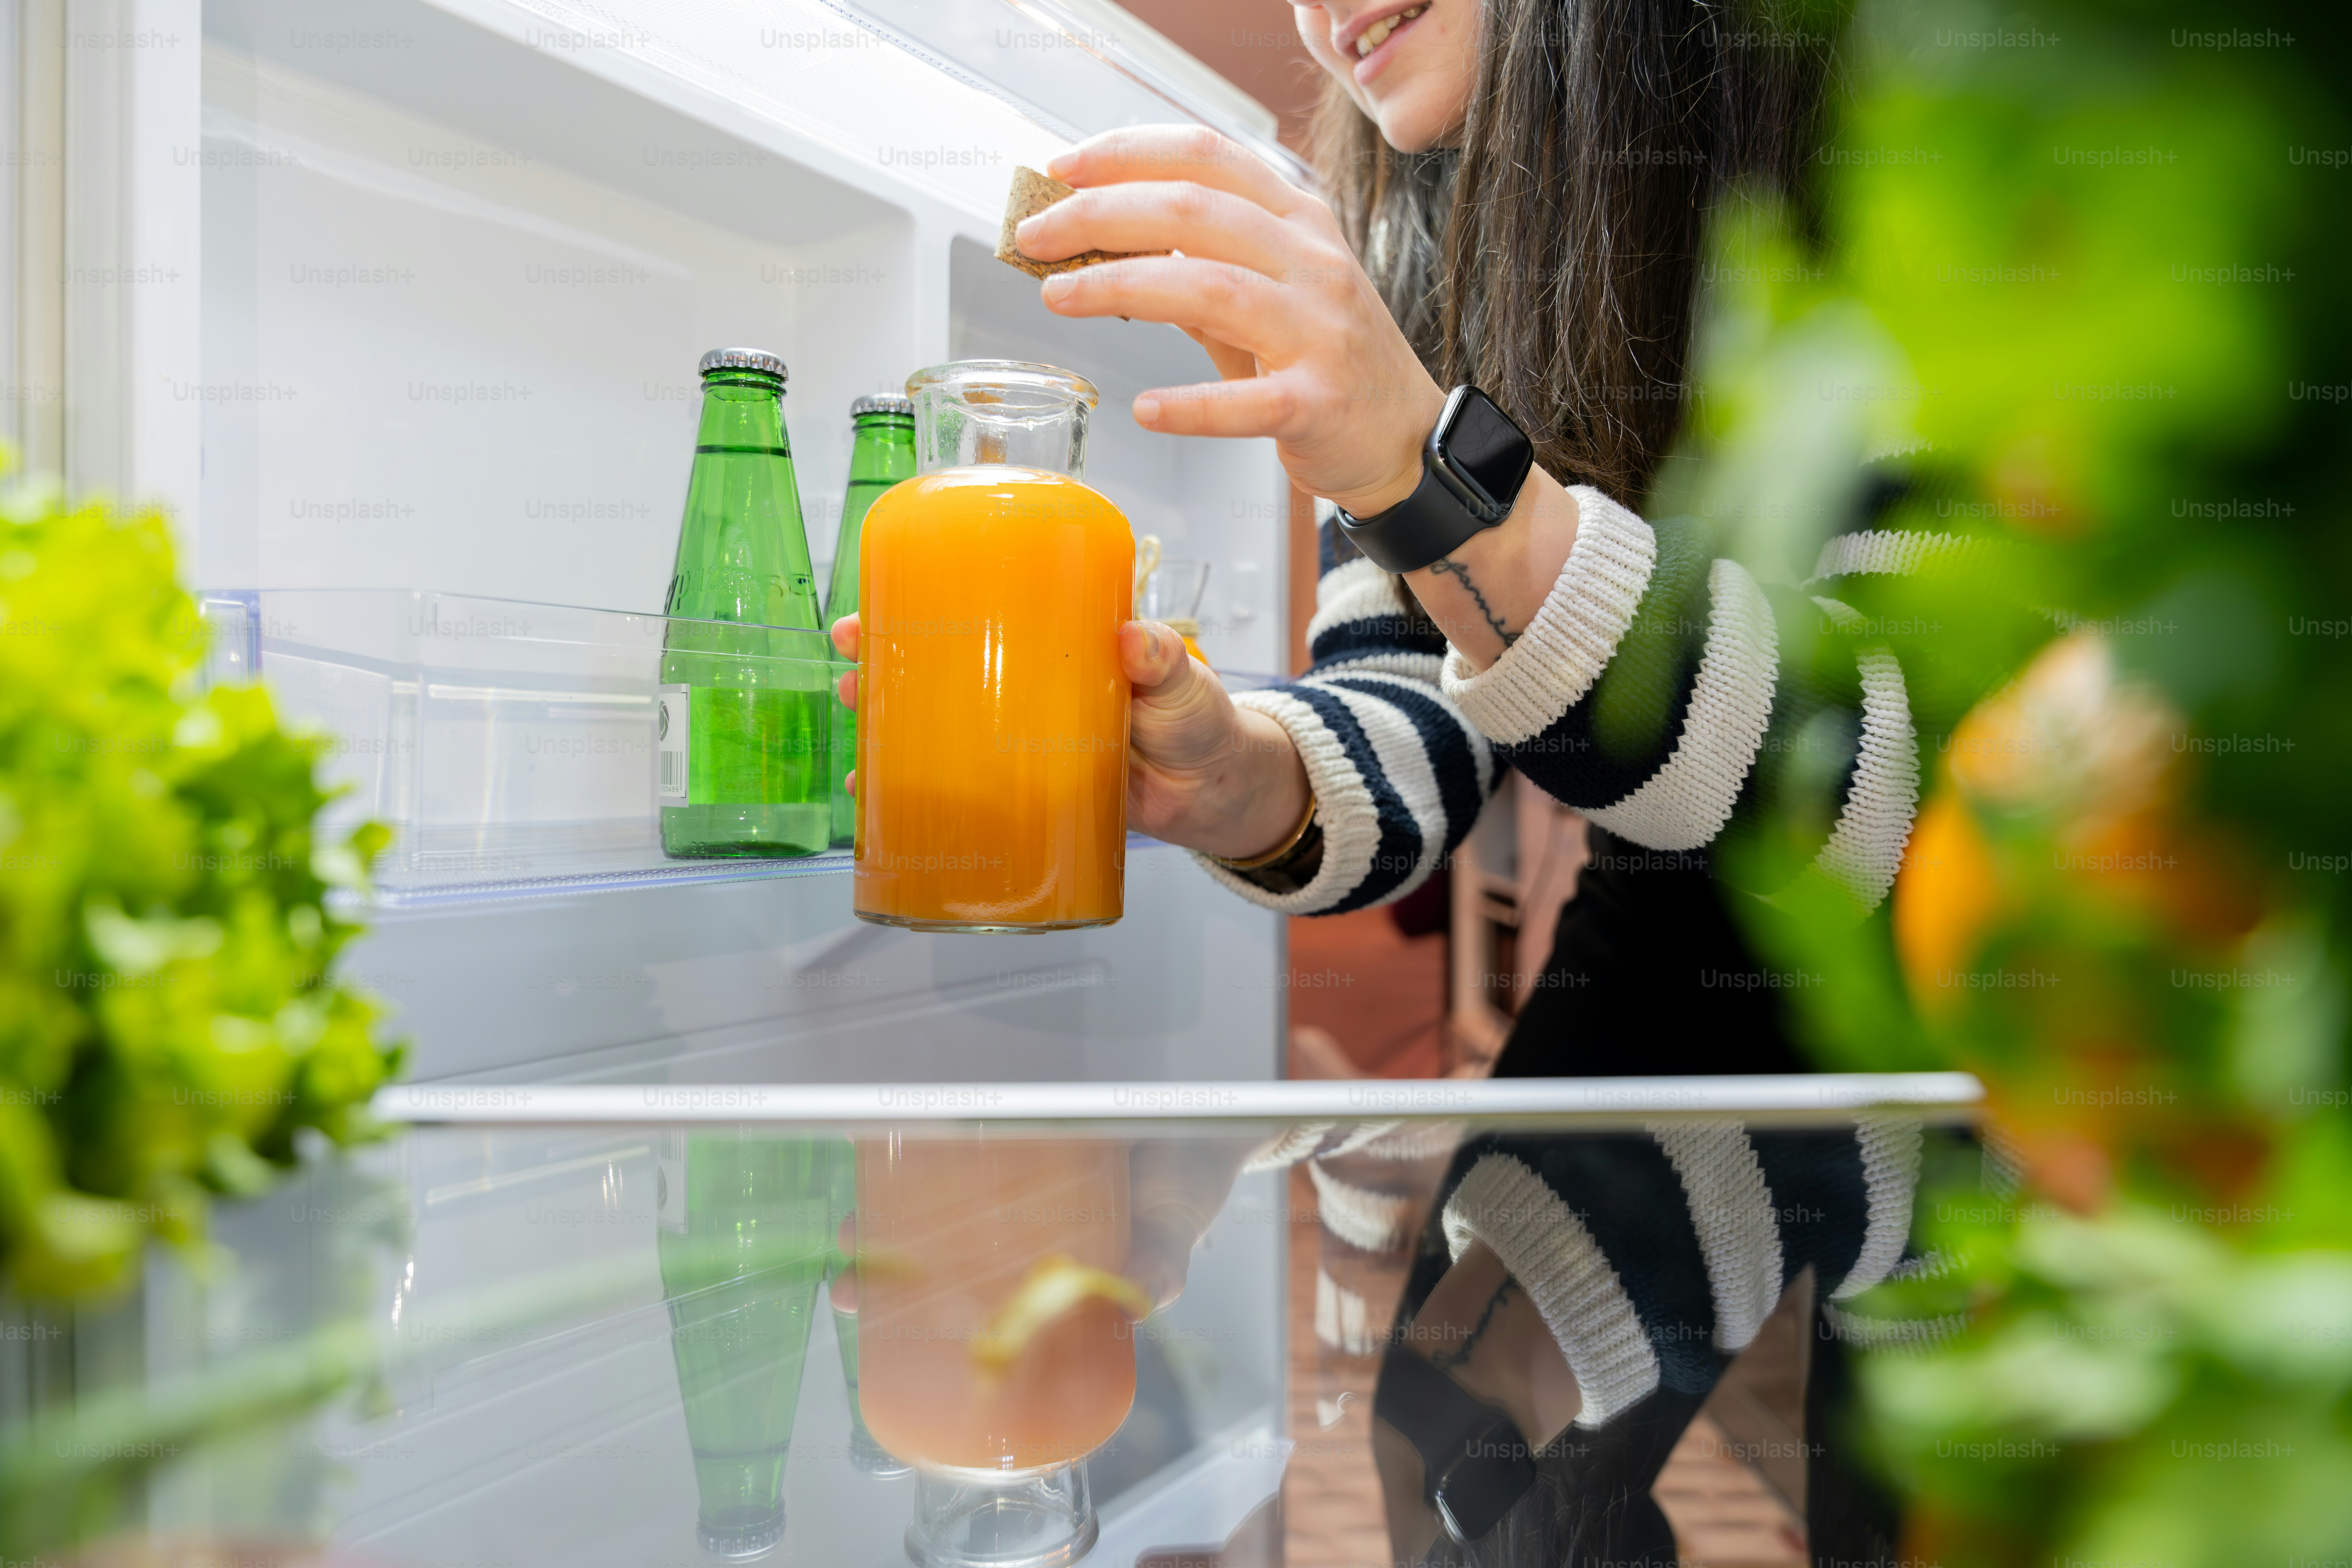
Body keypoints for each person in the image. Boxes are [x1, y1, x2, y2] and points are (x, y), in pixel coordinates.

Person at [831, 1, 1956, 1560]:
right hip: (1672, 930)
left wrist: (1433, 468)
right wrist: (1242, 772)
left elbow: (1925, 800)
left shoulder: (1895, 120)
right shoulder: (1434, 216)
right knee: (1451, 1458)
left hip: (2005, 1013)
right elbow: (1412, 714)